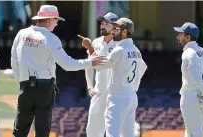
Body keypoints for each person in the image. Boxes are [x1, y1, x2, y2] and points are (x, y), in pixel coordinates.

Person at [11, 5, 106, 137]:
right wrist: (90, 62)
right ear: (50, 20)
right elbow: (68, 64)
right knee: (42, 131)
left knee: (19, 130)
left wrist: (20, 82)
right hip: (44, 88)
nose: (56, 24)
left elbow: (14, 61)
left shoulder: (21, 34)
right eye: (56, 20)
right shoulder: (51, 38)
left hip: (25, 86)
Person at [93, 18, 147, 137]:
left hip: (117, 96)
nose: (113, 31)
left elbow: (99, 67)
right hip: (131, 95)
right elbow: (143, 67)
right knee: (128, 134)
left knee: (112, 133)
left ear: (124, 32)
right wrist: (134, 87)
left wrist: (91, 50)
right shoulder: (136, 51)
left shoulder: (119, 50)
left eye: (116, 29)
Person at [78, 12, 119, 137]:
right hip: (99, 91)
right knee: (93, 132)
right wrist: (90, 86)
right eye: (102, 23)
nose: (103, 26)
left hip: (115, 93)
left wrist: (90, 48)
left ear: (115, 28)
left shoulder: (120, 45)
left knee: (114, 131)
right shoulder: (96, 42)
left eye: (107, 24)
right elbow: (89, 65)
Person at [173, 22, 203, 137]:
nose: (178, 37)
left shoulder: (188, 53)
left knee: (193, 133)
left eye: (180, 34)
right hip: (201, 96)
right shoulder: (202, 51)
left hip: (192, 97)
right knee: (191, 132)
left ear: (188, 37)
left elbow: (194, 76)